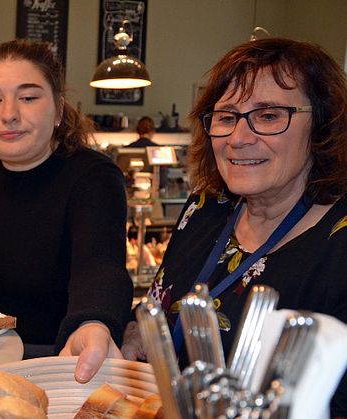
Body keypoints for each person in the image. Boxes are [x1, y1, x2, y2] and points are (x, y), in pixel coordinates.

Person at [70, 38, 347, 415]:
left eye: (268, 115)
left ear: (323, 123)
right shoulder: (205, 208)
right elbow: (160, 304)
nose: (238, 137)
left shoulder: (337, 248)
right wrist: (137, 333)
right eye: (227, 117)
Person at [0, 39, 133, 363]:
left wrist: (92, 322)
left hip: (56, 357)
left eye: (28, 98)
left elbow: (100, 268)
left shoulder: (93, 177)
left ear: (58, 108)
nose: (9, 114)